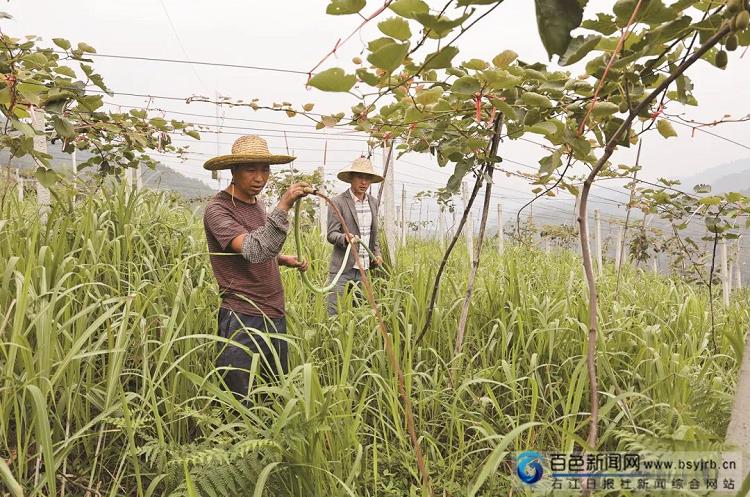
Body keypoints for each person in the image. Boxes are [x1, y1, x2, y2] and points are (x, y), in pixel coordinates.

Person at [203, 134, 310, 398]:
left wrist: (282, 259)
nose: (259, 178)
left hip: (274, 309)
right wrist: (283, 206)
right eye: (251, 169)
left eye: (265, 170)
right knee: (240, 397)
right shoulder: (218, 210)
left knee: (274, 389)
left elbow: (260, 246)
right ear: (233, 170)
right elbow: (253, 249)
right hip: (241, 314)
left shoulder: (257, 204)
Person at [326, 157, 384, 316]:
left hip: (364, 268)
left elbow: (373, 234)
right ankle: (333, 339)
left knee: (361, 313)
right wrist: (344, 238)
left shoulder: (373, 202)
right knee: (334, 312)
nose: (364, 182)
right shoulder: (337, 202)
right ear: (351, 178)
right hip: (343, 268)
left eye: (368, 178)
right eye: (360, 177)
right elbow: (331, 234)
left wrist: (377, 254)